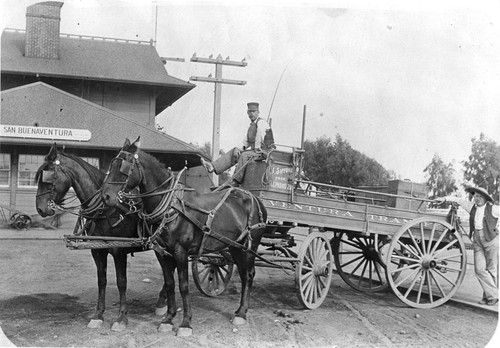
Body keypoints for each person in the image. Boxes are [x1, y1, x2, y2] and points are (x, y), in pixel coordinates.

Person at [436, 186, 499, 306]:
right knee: (479, 269)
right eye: (476, 196)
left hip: (491, 240)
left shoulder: (494, 209)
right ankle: (494, 295)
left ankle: (490, 297)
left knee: (492, 269)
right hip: (477, 241)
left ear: (486, 198)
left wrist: (498, 229)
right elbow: (458, 200)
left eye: (480, 196)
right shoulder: (472, 207)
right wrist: (444, 198)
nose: (478, 199)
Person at [201, 102, 274, 186]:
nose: (251, 114)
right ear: (247, 113)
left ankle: (235, 181)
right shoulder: (252, 126)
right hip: (256, 151)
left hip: (265, 152)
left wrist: (256, 149)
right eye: (250, 112)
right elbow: (245, 142)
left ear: (258, 112)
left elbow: (260, 136)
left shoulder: (261, 123)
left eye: (254, 111)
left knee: (244, 155)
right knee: (234, 152)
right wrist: (238, 149)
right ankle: (213, 167)